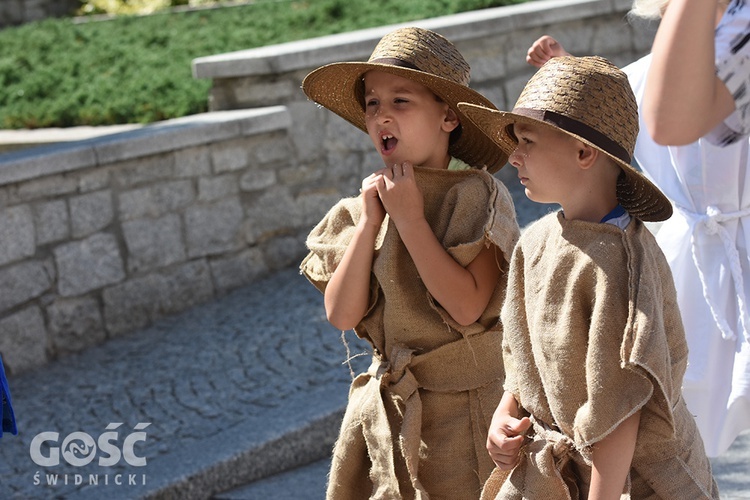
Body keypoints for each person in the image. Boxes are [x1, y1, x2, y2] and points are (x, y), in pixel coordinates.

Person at [459, 55, 718, 499]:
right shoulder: (534, 243)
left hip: (633, 483)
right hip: (554, 477)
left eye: (528, 141)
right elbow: (520, 355)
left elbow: (620, 407)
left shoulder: (621, 265)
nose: (513, 155)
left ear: (583, 152)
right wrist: (507, 410)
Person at [299, 27, 521, 498]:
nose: (382, 115)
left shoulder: (476, 196)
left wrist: (411, 218)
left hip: (471, 415)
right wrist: (369, 225)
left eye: (401, 101)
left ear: (448, 118)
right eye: (373, 102)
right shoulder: (358, 209)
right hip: (394, 416)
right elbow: (342, 314)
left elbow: (465, 308)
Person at [525, 0, 750, 458]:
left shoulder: (736, 29)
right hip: (689, 249)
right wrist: (574, 78)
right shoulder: (693, 39)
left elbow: (666, 117)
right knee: (679, 400)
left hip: (731, 238)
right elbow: (630, 104)